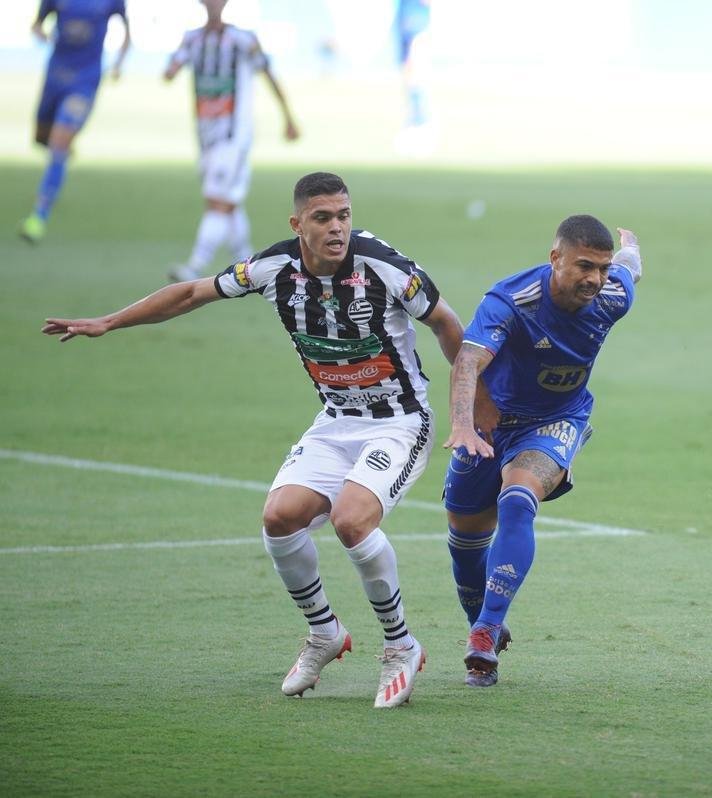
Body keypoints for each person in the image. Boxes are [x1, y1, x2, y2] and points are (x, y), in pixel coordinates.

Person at [43, 172, 469, 708]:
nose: (337, 228)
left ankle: (401, 645)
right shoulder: (272, 268)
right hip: (336, 420)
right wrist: (109, 321)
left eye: (343, 215)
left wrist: (469, 407)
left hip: (399, 421)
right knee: (278, 518)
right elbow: (193, 292)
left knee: (352, 520)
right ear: (298, 224)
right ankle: (325, 633)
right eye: (322, 218)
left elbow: (448, 323)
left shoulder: (383, 266)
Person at [441, 215, 643, 687]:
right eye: (583, 266)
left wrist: (631, 250)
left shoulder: (612, 295)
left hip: (556, 421)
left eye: (602, 267)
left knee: (518, 498)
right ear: (555, 259)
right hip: (490, 425)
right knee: (466, 541)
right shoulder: (512, 300)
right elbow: (469, 359)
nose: (595, 279)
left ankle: (486, 631)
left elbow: (631, 270)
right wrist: (463, 423)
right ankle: (482, 618)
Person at [165, 0, 300, 283]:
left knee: (218, 201)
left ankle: (195, 266)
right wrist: (172, 68)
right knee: (229, 202)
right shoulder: (192, 39)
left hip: (234, 135)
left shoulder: (243, 40)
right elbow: (170, 71)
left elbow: (268, 74)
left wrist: (287, 116)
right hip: (205, 135)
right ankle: (250, 264)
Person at [18, 0, 130, 244]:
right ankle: (61, 158)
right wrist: (43, 36)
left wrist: (119, 63)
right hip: (55, 77)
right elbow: (37, 25)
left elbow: (127, 31)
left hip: (85, 81)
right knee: (43, 140)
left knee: (58, 144)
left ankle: (39, 216)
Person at [392, 0, 435, 154]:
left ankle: (421, 126)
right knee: (409, 76)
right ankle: (413, 123)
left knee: (417, 75)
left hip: (417, 21)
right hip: (404, 18)